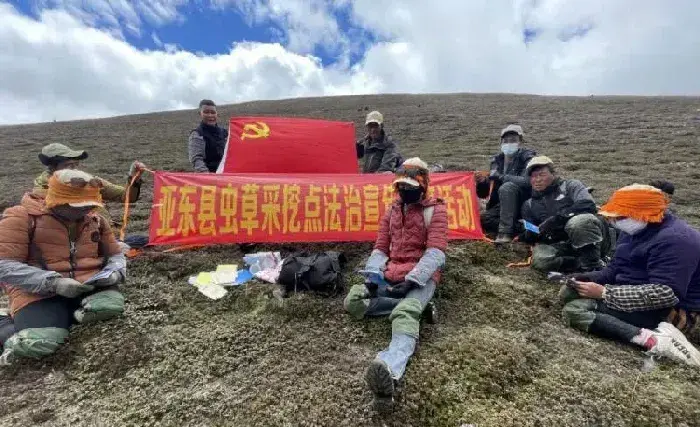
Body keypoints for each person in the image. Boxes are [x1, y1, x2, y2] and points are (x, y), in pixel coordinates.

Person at [343, 157, 448, 411]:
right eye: (401, 186)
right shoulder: (391, 210)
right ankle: (420, 309)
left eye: (410, 187)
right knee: (354, 302)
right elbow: (380, 247)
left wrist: (412, 281)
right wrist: (371, 276)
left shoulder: (436, 210)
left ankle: (389, 369)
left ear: (422, 186)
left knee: (404, 313)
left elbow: (436, 253)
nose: (404, 191)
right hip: (390, 273)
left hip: (420, 275)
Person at [561, 184, 700, 367]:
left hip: (675, 308)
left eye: (621, 216)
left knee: (575, 310)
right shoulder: (634, 230)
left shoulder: (677, 240)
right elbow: (615, 269)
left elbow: (665, 293)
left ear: (643, 213)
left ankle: (655, 341)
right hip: (638, 292)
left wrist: (605, 293)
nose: (615, 221)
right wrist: (586, 277)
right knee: (568, 292)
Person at [0, 169, 126, 366]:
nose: (85, 211)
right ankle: (4, 323)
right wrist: (53, 282)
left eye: (90, 205)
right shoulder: (21, 217)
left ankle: (61, 318)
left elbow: (116, 253)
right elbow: (4, 266)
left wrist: (115, 274)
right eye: (78, 206)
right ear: (57, 200)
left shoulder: (95, 220)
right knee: (38, 344)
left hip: (86, 285)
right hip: (37, 293)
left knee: (110, 306)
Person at [520, 156, 612, 273]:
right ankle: (581, 263)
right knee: (540, 261)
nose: (537, 179)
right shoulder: (529, 205)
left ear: (553, 174)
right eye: (533, 176)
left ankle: (593, 268)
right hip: (562, 243)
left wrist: (555, 220)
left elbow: (588, 205)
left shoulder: (571, 186)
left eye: (541, 174)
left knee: (579, 222)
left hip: (593, 238)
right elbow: (530, 231)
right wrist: (534, 232)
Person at [34, 143, 145, 225]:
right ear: (53, 168)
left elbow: (126, 197)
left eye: (75, 165)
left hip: (107, 237)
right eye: (68, 165)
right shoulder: (42, 192)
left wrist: (133, 177)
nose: (74, 169)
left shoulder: (90, 182)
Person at [476, 124, 537, 243]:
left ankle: (505, 233)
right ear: (501, 142)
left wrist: (501, 177)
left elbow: (527, 181)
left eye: (513, 140)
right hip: (501, 204)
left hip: (523, 201)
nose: (509, 143)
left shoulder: (528, 157)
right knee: (483, 220)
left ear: (520, 141)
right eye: (506, 140)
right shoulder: (496, 161)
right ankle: (524, 228)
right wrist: (483, 182)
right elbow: (484, 194)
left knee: (507, 187)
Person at [188, 99, 229, 173]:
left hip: (226, 175)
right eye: (206, 112)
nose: (210, 115)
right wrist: (208, 176)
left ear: (217, 114)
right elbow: (196, 159)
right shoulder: (197, 134)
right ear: (200, 114)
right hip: (208, 178)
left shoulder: (225, 132)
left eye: (213, 112)